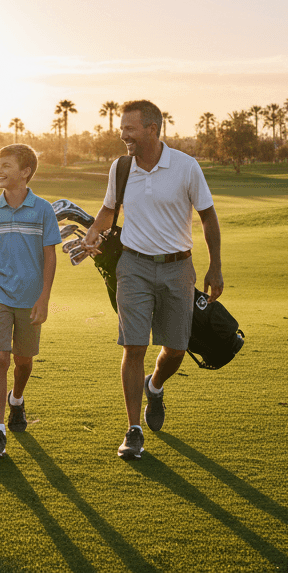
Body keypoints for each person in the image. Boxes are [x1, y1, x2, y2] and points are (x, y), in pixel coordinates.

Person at [82, 99, 223, 460]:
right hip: (133, 266)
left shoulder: (186, 167)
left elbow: (208, 217)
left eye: (129, 128)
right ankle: (133, 430)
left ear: (152, 129)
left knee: (176, 348)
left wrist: (215, 266)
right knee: (134, 347)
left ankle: (155, 386)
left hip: (178, 268)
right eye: (121, 128)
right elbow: (109, 209)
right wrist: (93, 233)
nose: (122, 134)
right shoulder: (122, 167)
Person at [0, 144, 60, 461]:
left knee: (22, 361)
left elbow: (50, 255)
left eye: (6, 165)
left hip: (30, 297)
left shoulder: (42, 210)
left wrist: (44, 297)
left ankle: (17, 398)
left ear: (25, 172)